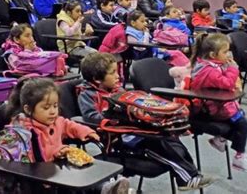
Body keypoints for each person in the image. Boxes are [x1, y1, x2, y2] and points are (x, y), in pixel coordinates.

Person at [76, 52, 213, 191]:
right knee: (158, 143)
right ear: (97, 79)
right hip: (120, 136)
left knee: (168, 135)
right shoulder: (87, 95)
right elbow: (90, 116)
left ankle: (191, 175)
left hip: (135, 129)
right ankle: (187, 178)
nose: (118, 76)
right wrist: (116, 116)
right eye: (112, 73)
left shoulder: (117, 89)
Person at [0, 77, 130, 193]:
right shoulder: (24, 130)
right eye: (46, 108)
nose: (52, 112)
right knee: (77, 181)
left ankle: (107, 187)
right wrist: (57, 152)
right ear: (28, 109)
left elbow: (69, 125)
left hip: (58, 170)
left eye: (55, 106)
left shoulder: (55, 121)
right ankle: (105, 189)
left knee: (83, 173)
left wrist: (86, 132)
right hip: (39, 178)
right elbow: (37, 157)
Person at [190, 33, 247, 173]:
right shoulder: (208, 71)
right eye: (225, 52)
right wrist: (233, 69)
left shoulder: (213, 65)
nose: (229, 55)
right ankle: (239, 157)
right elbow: (227, 84)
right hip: (209, 110)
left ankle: (220, 139)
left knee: (239, 117)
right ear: (213, 55)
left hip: (217, 106)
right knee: (242, 124)